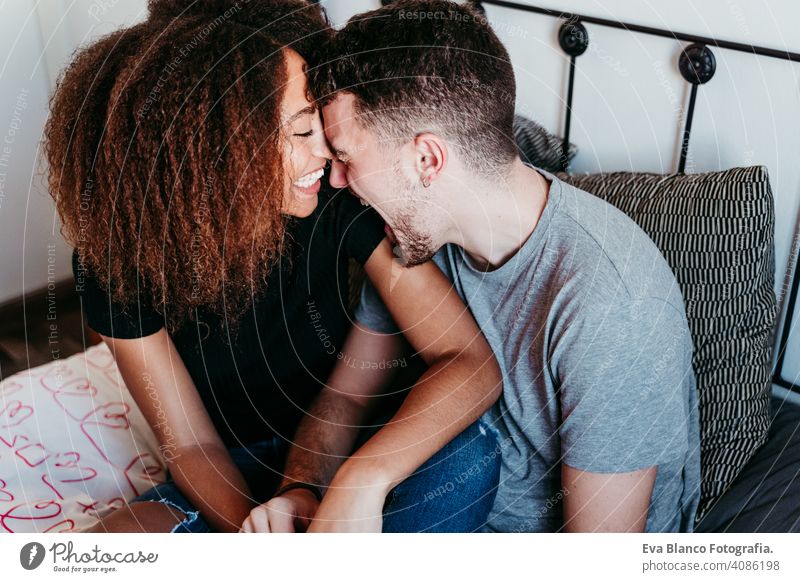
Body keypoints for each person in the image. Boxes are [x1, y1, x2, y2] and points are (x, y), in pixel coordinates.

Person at [44, 0, 502, 533]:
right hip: (236, 465)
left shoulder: (336, 199)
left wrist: (350, 484)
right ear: (215, 147)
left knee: (468, 459)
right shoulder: (117, 260)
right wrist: (263, 538)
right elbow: (191, 445)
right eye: (301, 133)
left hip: (362, 441)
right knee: (113, 540)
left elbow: (466, 361)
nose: (328, 153)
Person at [261, 0, 701, 533]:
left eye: (348, 157)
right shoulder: (416, 236)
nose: (336, 181)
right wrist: (301, 489)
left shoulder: (611, 304)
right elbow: (349, 396)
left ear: (426, 159)